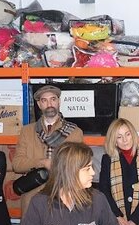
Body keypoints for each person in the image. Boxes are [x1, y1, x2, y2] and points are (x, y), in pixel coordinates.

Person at [19, 142, 123, 225]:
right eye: (87, 168)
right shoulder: (40, 203)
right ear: (70, 171)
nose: (93, 172)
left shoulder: (98, 199)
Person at [10, 85, 84, 215]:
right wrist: (42, 163)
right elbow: (17, 164)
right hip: (32, 200)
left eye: (53, 99)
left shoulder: (75, 132)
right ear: (39, 105)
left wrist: (56, 166)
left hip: (62, 199)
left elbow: (77, 167)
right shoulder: (27, 131)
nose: (49, 104)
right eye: (44, 100)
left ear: (59, 102)